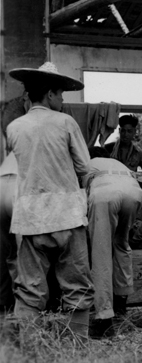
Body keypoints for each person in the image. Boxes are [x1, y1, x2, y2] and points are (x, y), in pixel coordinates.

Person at [6, 62, 94, 342]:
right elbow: (84, 167)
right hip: (66, 214)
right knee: (77, 286)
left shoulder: (14, 127)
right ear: (50, 94)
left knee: (30, 288)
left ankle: (30, 351)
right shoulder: (65, 122)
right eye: (61, 94)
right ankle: (77, 346)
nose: (63, 99)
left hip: (30, 218)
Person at [84, 147, 142, 337]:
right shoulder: (117, 163)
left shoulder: (86, 164)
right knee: (121, 244)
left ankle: (104, 317)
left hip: (105, 193)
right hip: (135, 192)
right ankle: (121, 303)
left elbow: (77, 201)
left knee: (101, 253)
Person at [0, 152, 18, 315]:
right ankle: (23, 305)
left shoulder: (18, 141)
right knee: (25, 253)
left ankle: (4, 302)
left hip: (1, 183)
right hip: (20, 185)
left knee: (4, 250)